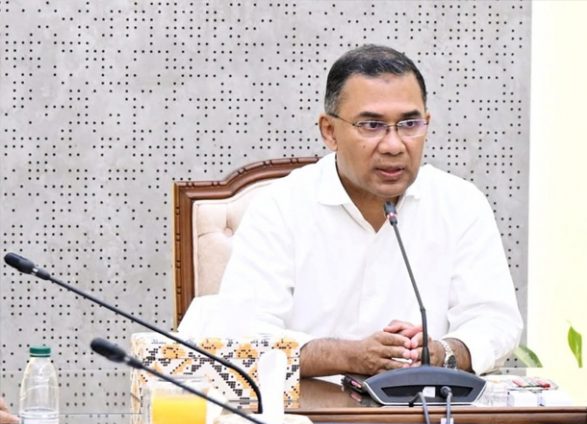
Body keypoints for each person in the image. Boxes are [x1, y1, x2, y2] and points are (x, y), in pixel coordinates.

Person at [180, 44, 523, 377]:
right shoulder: (280, 206)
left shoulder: (460, 203)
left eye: (409, 124)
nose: (393, 145)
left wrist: (443, 352)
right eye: (371, 126)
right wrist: (347, 357)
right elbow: (244, 337)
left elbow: (495, 321)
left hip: (424, 407)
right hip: (310, 408)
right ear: (329, 131)